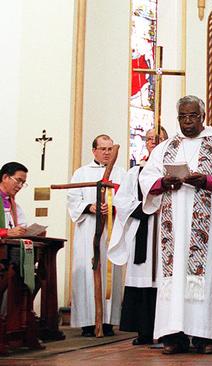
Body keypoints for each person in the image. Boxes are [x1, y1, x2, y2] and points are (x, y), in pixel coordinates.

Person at [139, 95, 212, 354]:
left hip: (204, 226)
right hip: (172, 224)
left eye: (192, 116)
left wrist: (206, 181)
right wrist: (163, 183)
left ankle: (205, 335)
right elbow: (146, 176)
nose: (187, 122)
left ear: (203, 116)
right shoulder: (165, 147)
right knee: (173, 279)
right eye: (183, 117)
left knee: (205, 277)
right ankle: (173, 335)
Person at [108, 127, 168, 346]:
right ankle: (143, 330)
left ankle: (167, 331)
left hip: (164, 230)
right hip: (143, 229)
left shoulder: (170, 170)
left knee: (164, 279)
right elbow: (121, 201)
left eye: (159, 138)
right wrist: (143, 209)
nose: (154, 141)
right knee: (143, 278)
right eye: (150, 138)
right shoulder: (135, 172)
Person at [67, 135, 126, 337]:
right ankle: (88, 322)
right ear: (94, 151)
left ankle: (108, 322)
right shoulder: (81, 173)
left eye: (110, 149)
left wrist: (113, 207)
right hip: (88, 231)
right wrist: (90, 207)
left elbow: (127, 199)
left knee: (112, 274)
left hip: (111, 230)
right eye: (103, 149)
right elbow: (73, 200)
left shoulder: (121, 173)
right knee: (87, 273)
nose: (107, 152)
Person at [0, 162, 29, 238]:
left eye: (23, 183)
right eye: (18, 180)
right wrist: (5, 232)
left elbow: (22, 226)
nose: (20, 186)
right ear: (5, 177)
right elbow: (8, 232)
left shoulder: (14, 205)